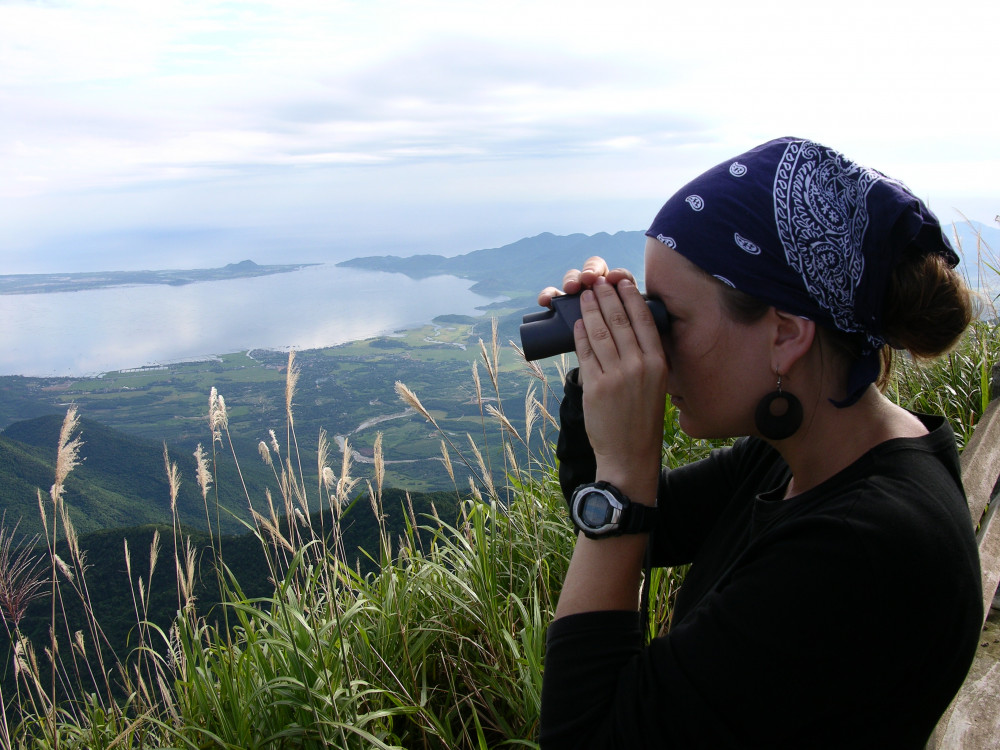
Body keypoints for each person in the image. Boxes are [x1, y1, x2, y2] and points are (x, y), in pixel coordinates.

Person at [536, 137, 983, 749]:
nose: (654, 346)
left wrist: (623, 467)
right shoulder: (810, 453)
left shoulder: (863, 550)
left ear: (786, 335)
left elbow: (586, 739)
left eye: (668, 318)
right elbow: (652, 525)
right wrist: (600, 363)